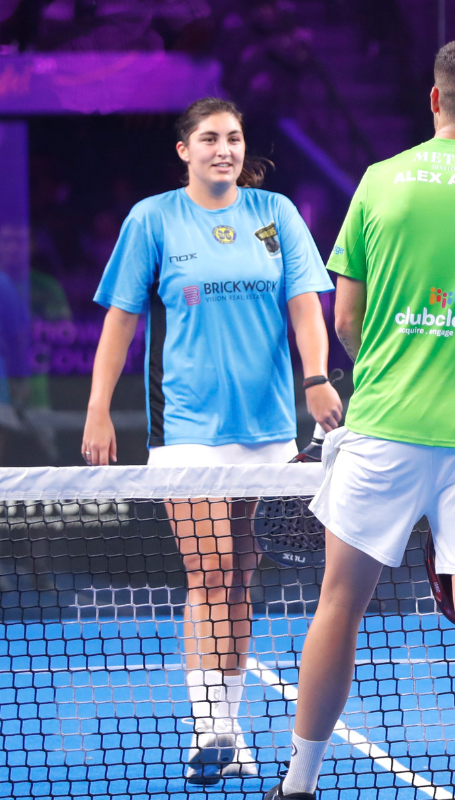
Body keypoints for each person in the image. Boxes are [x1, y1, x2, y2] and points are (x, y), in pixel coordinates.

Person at [267, 36, 455, 800]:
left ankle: (299, 783)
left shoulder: (381, 182)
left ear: (435, 99)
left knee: (339, 602)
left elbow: (346, 320)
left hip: (384, 428)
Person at [81, 97, 342, 786]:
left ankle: (228, 725)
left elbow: (305, 305)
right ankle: (208, 729)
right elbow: (121, 320)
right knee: (211, 570)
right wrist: (97, 410)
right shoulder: (153, 220)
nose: (222, 149)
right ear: (184, 150)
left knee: (241, 574)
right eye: (208, 139)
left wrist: (315, 378)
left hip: (266, 432)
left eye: (232, 138)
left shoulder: (275, 215)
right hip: (186, 430)